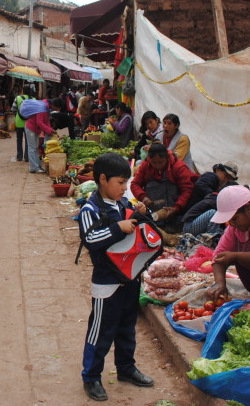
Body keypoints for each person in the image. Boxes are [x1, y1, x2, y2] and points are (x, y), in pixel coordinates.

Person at [79, 152, 154, 401]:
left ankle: (126, 368)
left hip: (130, 277)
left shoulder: (123, 204)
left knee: (126, 327)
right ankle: (91, 376)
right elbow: (90, 240)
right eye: (120, 183)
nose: (124, 188)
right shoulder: (91, 208)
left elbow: (138, 229)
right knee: (100, 331)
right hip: (106, 282)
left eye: (125, 183)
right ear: (102, 179)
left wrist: (140, 213)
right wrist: (116, 228)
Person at [208, 185, 250, 300]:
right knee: (240, 261)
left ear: (248, 209)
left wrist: (236, 255)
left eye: (234, 219)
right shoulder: (234, 228)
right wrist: (220, 283)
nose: (231, 224)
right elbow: (218, 256)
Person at [130, 142, 194, 232]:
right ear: (149, 159)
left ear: (167, 158)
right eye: (154, 163)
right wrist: (143, 197)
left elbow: (187, 190)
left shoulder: (178, 167)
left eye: (160, 162)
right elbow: (135, 184)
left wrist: (176, 207)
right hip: (153, 213)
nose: (157, 166)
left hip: (175, 211)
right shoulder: (146, 165)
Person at [181, 162, 239, 236]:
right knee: (213, 213)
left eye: (229, 179)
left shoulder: (218, 188)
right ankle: (211, 238)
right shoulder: (212, 177)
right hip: (190, 223)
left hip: (199, 220)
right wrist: (212, 194)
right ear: (218, 170)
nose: (226, 180)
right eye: (226, 176)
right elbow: (199, 185)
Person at [24, 98, 54, 174]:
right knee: (32, 148)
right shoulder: (42, 108)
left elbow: (47, 121)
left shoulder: (46, 109)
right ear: (53, 105)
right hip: (31, 127)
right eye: (56, 107)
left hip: (35, 129)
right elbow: (39, 123)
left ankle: (37, 166)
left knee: (36, 148)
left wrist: (50, 130)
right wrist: (49, 130)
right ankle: (33, 168)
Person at [13, 84, 33, 162]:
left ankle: (19, 156)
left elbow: (13, 109)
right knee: (28, 139)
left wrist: (18, 115)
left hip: (19, 122)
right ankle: (27, 157)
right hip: (29, 122)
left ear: (23, 91)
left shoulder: (17, 98)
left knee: (19, 139)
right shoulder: (33, 99)